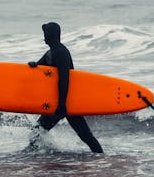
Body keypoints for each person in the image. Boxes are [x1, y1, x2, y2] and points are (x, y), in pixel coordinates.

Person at [28, 22, 103, 153]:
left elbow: (64, 79)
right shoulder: (51, 52)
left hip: (65, 102)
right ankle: (100, 157)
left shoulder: (61, 53)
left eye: (45, 34)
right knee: (38, 131)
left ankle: (32, 156)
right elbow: (41, 67)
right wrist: (34, 64)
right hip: (60, 102)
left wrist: (62, 105)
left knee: (37, 132)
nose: (44, 37)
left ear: (51, 35)